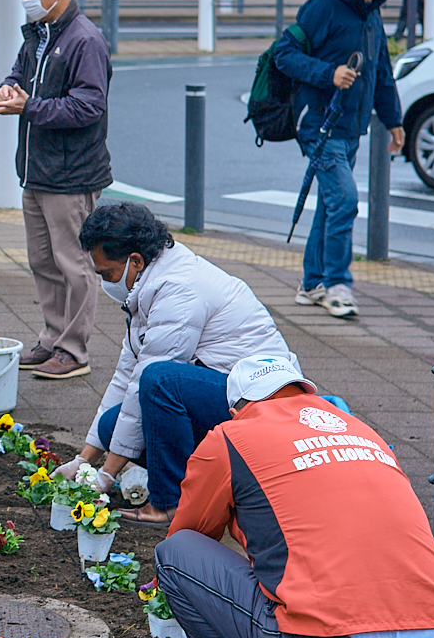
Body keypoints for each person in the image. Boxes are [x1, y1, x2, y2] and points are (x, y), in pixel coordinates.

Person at [155, 353, 434, 638]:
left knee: (174, 558)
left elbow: (191, 533)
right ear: (307, 390)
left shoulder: (231, 437)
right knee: (379, 560)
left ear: (236, 408)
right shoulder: (361, 431)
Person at [57, 201, 293, 525]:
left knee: (160, 382)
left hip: (264, 402)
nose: (105, 281)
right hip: (227, 388)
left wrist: (107, 476)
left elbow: (147, 380)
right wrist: (84, 460)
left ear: (135, 261)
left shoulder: (178, 292)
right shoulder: (149, 281)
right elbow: (126, 374)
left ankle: (169, 503)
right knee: (111, 425)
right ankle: (212, 476)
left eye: (107, 273)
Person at [0, 0, 112, 381]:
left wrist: (30, 106)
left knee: (74, 264)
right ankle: (52, 338)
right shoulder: (39, 34)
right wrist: (10, 88)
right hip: (38, 170)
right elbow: (21, 74)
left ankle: (74, 351)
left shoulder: (84, 39)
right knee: (43, 260)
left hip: (71, 173)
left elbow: (90, 106)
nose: (24, 0)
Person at [271, 0, 406, 320]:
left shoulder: (372, 14)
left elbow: (381, 72)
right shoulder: (322, 8)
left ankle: (311, 283)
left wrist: (393, 120)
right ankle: (336, 285)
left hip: (352, 128)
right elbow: (285, 54)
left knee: (330, 206)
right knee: (344, 200)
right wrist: (328, 74)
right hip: (319, 126)